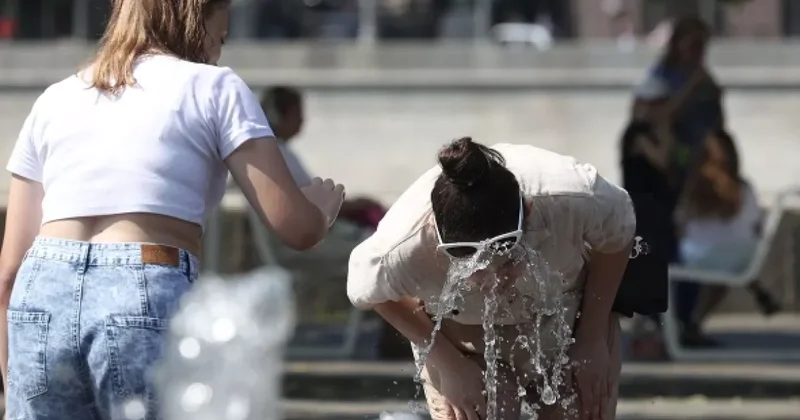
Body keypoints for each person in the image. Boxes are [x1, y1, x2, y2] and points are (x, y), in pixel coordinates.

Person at [0, 1, 345, 419]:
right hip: (142, 280)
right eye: (221, 37)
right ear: (196, 20)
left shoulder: (55, 99)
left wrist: (14, 382)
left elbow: (9, 274)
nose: (219, 51)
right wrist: (320, 209)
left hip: (42, 293)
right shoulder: (215, 86)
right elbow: (295, 228)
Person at [348, 138, 636, 420]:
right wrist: (448, 364)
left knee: (581, 406)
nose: (495, 279)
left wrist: (592, 336)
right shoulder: (404, 241)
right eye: (474, 268)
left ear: (530, 213)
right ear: (435, 234)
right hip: (462, 333)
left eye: (509, 260)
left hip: (566, 315)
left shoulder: (574, 197)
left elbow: (618, 236)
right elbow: (368, 292)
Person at [631, 16, 727, 342]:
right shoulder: (661, 79)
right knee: (662, 249)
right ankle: (659, 323)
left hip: (695, 176)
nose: (699, 52)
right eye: (693, 45)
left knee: (690, 249)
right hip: (662, 180)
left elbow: (717, 128)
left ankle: (686, 322)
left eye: (703, 46)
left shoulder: (705, 82)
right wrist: (690, 88)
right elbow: (652, 119)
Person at [675, 130, 780, 346]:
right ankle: (693, 324)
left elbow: (681, 225)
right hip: (742, 260)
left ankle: (678, 325)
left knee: (676, 256)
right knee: (722, 272)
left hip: (700, 259)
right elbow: (755, 226)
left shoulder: (694, 188)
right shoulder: (744, 188)